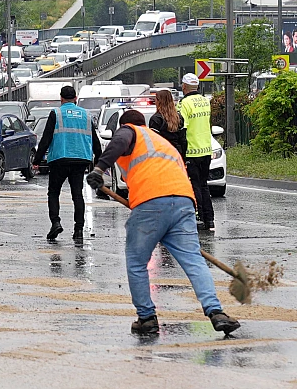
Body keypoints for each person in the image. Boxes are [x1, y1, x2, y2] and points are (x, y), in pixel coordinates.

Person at [87, 110, 240, 336]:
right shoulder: (162, 143)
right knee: (194, 261)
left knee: (137, 262)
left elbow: (120, 140)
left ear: (125, 125)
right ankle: (216, 312)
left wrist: (99, 169)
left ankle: (147, 317)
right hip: (183, 202)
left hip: (151, 203)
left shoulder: (130, 131)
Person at [34, 85, 102, 242]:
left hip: (59, 158)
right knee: (77, 195)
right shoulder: (86, 114)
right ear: (76, 98)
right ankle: (78, 230)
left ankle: (55, 222)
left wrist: (37, 160)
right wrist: (99, 160)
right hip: (81, 159)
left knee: (54, 192)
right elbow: (95, 140)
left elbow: (46, 138)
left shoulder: (56, 113)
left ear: (61, 98)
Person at [178, 74, 215, 231]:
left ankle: (198, 216)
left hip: (192, 151)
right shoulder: (205, 101)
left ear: (184, 87)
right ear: (197, 87)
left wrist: (181, 150)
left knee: (194, 185)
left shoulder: (184, 103)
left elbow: (182, 128)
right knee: (204, 184)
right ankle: (209, 218)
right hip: (206, 149)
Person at [149, 89, 187, 157]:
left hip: (163, 156)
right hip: (177, 155)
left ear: (159, 101)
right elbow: (183, 141)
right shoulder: (179, 118)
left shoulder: (156, 119)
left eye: (156, 99)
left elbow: (154, 143)